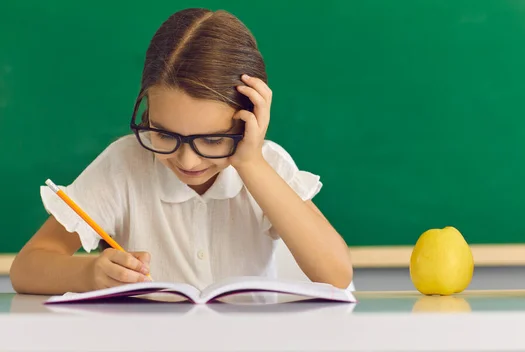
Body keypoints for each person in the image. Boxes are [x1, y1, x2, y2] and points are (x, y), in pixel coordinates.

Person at [9, 8, 353, 294]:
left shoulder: (267, 165)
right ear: (146, 112)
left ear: (248, 122)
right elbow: (27, 268)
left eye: (214, 141)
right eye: (162, 133)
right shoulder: (125, 163)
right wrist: (88, 275)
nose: (188, 160)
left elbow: (336, 275)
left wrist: (251, 163)